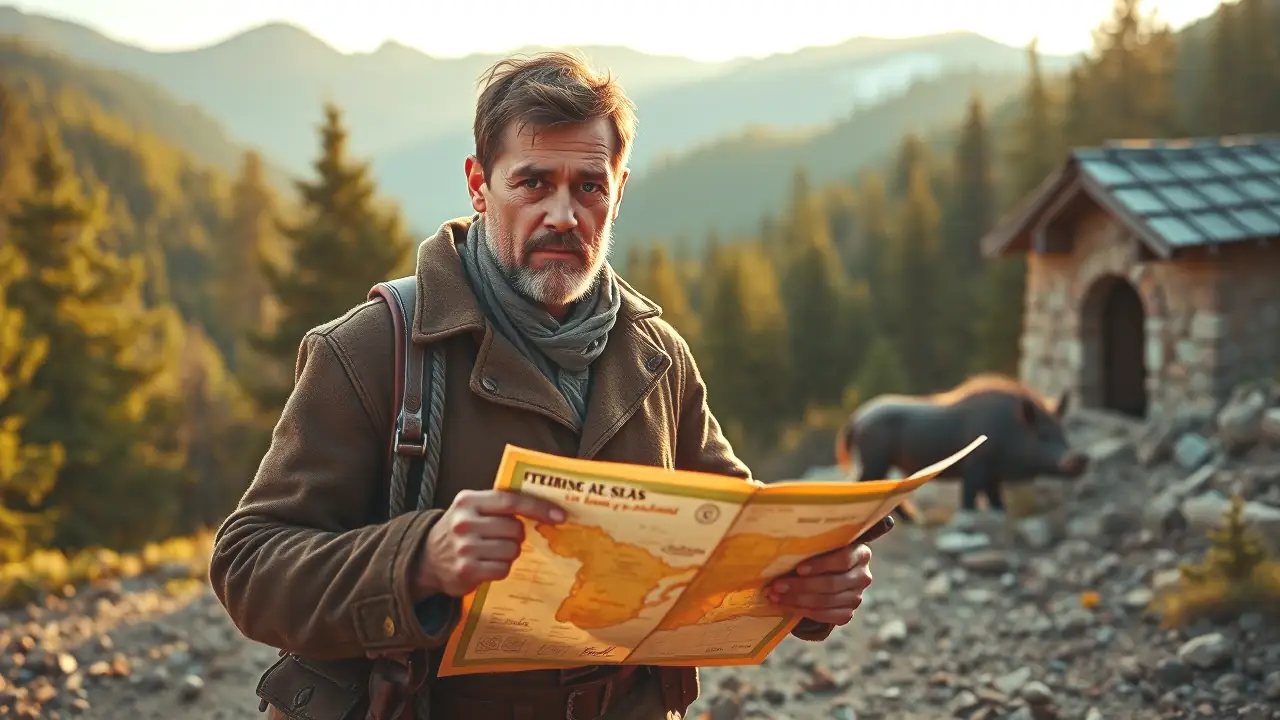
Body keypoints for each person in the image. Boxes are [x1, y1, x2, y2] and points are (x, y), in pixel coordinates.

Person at [209, 51, 888, 720]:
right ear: (479, 185)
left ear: (618, 190)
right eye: (533, 183)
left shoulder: (659, 359)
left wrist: (812, 590)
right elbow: (248, 565)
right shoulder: (369, 349)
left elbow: (738, 541)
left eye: (589, 186)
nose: (563, 215)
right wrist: (420, 557)